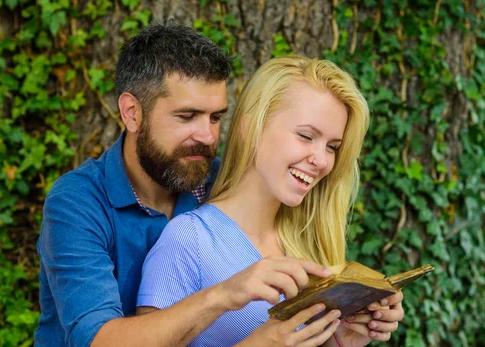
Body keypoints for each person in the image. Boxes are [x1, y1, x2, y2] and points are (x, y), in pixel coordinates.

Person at [35, 23, 340, 347]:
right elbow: (98, 340)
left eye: (215, 117)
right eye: (187, 116)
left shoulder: (219, 181)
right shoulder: (78, 203)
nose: (207, 137)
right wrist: (226, 293)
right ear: (132, 113)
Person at [137, 55, 405, 346]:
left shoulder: (307, 244)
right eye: (306, 136)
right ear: (251, 128)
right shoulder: (188, 241)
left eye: (332, 147)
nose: (321, 160)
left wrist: (339, 339)